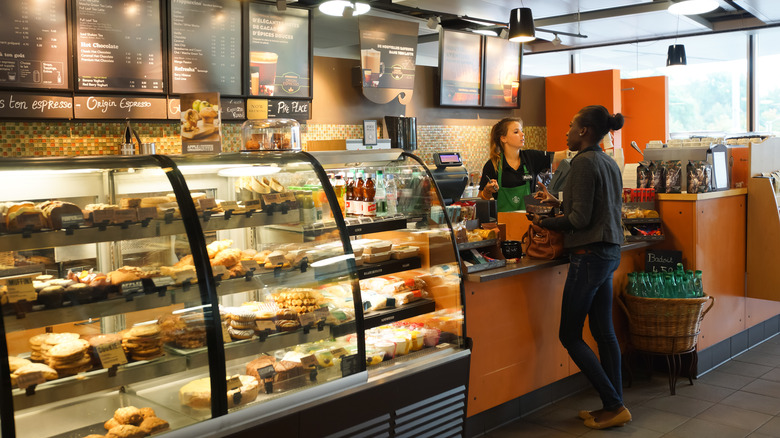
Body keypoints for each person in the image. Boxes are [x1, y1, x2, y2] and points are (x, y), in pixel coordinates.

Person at [531, 105, 630, 429]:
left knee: (570, 335)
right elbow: (595, 209)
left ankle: (614, 404)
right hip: (609, 251)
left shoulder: (583, 163)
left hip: (588, 256)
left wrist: (544, 220)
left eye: (571, 126)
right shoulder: (607, 161)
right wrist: (557, 203)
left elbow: (579, 220)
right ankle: (614, 404)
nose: (567, 132)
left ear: (584, 131)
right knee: (603, 333)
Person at [478, 117, 551, 212]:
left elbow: (559, 157)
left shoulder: (531, 157)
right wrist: (487, 191)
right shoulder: (493, 164)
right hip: (502, 224)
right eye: (516, 132)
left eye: (522, 131)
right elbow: (480, 200)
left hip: (528, 221)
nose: (522, 134)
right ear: (503, 138)